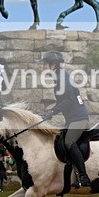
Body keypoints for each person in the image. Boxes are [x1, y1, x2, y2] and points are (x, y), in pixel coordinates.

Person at [39, 51, 91, 188]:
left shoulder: (62, 77)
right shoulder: (59, 77)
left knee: (69, 142)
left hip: (78, 118)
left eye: (45, 64)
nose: (43, 66)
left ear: (53, 64)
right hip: (71, 119)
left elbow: (69, 99)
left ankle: (84, 176)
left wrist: (52, 111)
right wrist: (48, 112)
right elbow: (63, 101)